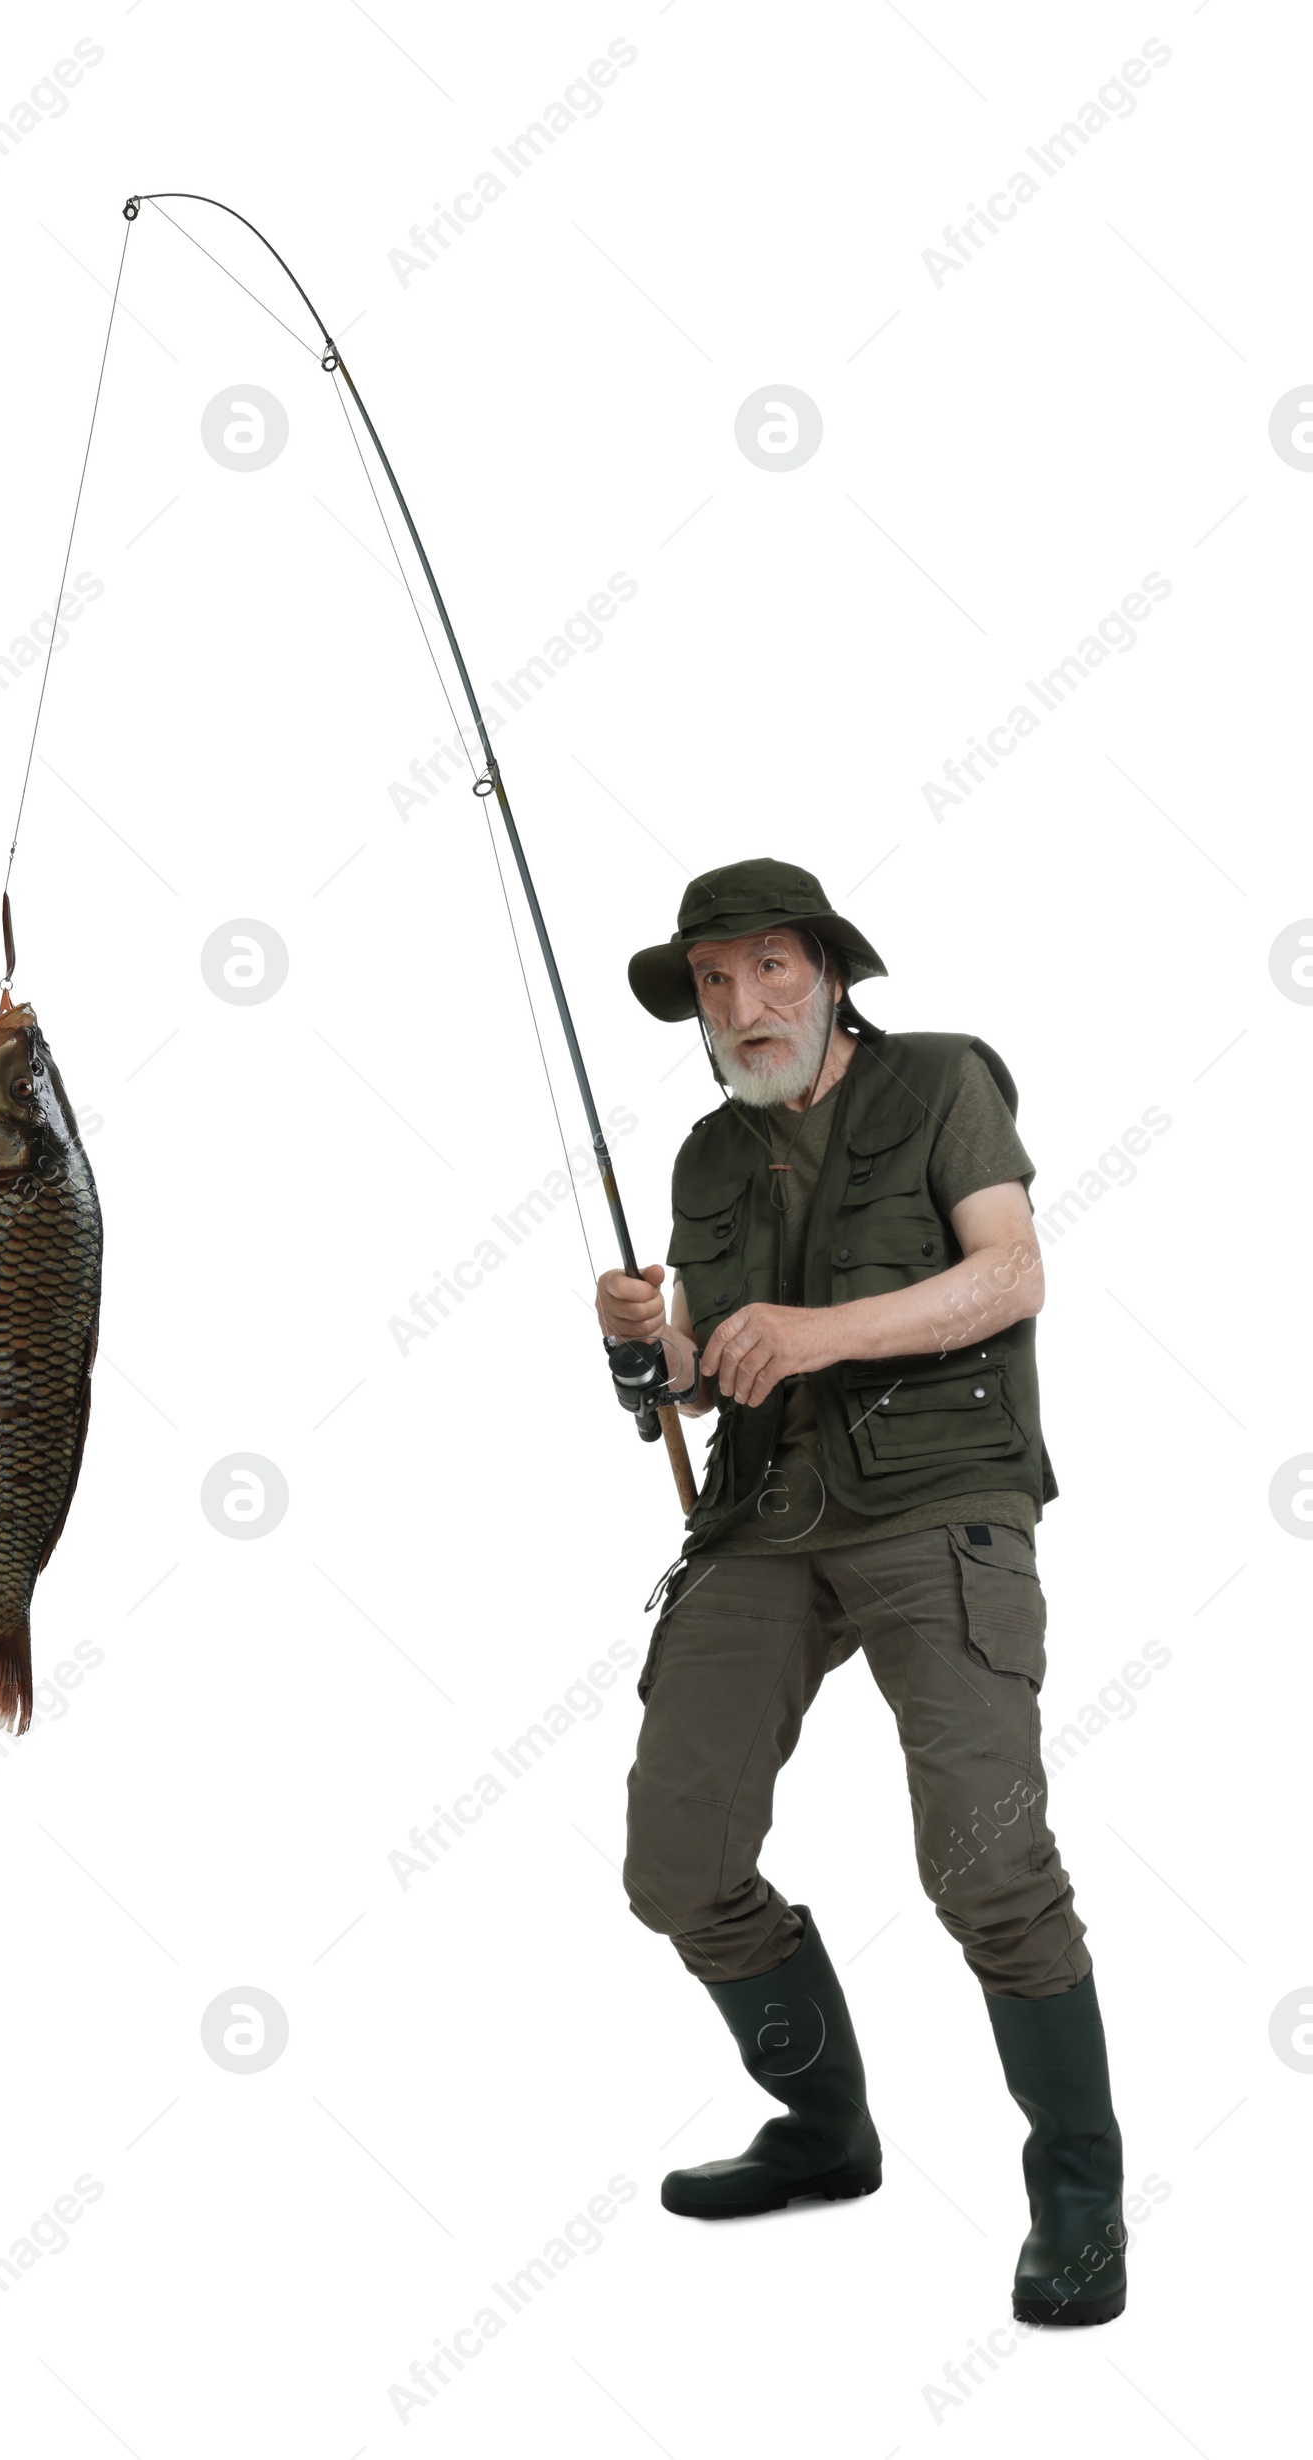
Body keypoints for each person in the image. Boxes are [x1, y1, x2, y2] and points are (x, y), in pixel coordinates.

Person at [597, 858, 1126, 2327]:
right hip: (765, 1522)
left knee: (984, 1863)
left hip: (941, 1503)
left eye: (769, 968)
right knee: (676, 1866)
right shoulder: (707, 1158)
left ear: (830, 971)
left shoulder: (946, 1080)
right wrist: (649, 1345)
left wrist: (816, 1332)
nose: (741, 1003)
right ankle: (826, 2133)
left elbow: (1009, 1274)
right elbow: (698, 1385)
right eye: (711, 980)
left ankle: (1080, 2198)